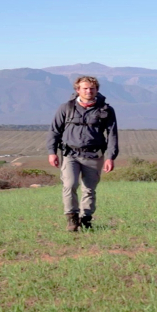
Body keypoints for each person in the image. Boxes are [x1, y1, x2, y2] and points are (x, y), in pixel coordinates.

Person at [47, 76, 118, 232]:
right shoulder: (66, 108)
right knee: (69, 185)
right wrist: (52, 152)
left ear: (97, 90)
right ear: (77, 90)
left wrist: (110, 157)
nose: (88, 91)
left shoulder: (105, 110)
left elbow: (112, 135)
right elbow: (54, 131)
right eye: (85, 88)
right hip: (70, 154)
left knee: (89, 189)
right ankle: (72, 218)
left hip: (94, 155)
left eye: (92, 88)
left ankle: (86, 219)